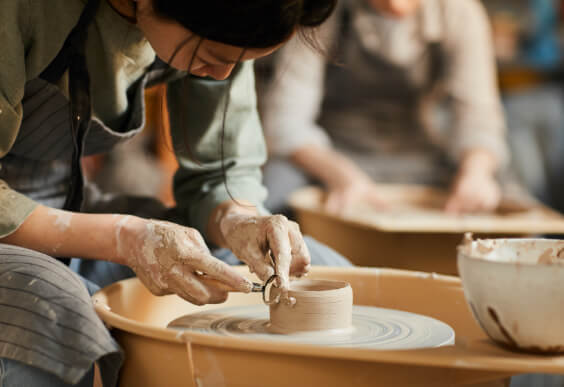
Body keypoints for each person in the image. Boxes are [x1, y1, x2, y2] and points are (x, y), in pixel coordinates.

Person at [0, 0, 350, 385]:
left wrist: (237, 219)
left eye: (239, 62)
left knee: (322, 265)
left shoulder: (232, 21)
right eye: (215, 56)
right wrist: (124, 237)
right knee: (49, 313)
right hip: (17, 232)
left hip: (72, 205)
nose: (223, 76)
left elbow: (219, 173)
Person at [259, 0, 510, 215]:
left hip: (418, 157)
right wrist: (340, 175)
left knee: (502, 190)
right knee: (274, 192)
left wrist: (475, 173)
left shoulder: (459, 12)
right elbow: (285, 121)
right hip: (331, 154)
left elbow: (478, 116)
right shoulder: (325, 10)